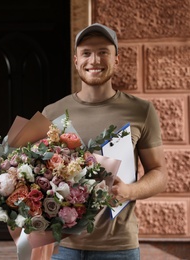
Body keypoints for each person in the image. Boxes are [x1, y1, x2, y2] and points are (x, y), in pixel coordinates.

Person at [42, 23, 168, 260]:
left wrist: (129, 191)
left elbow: (159, 173)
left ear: (116, 59)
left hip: (118, 248)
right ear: (76, 60)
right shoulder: (52, 112)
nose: (94, 60)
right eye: (86, 53)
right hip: (63, 247)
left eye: (103, 52)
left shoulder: (141, 110)